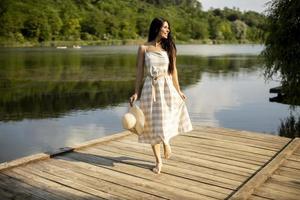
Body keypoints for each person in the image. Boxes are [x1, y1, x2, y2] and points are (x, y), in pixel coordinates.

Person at [129, 17, 193, 174]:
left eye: (168, 28)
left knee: (165, 119)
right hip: (150, 89)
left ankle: (166, 141)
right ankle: (158, 161)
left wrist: (179, 90)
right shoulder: (143, 48)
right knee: (151, 125)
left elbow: (174, 70)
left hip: (167, 87)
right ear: (157, 28)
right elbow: (139, 73)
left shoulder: (169, 47)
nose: (168, 30)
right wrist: (136, 92)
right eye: (165, 27)